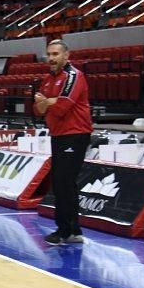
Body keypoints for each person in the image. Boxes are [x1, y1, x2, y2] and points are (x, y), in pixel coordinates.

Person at [33, 39, 93, 246]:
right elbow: (38, 110)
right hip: (58, 135)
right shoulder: (48, 80)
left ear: (66, 56)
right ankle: (72, 230)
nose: (51, 58)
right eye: (49, 54)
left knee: (64, 182)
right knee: (61, 183)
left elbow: (62, 107)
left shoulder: (74, 76)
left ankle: (66, 231)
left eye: (55, 54)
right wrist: (49, 102)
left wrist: (48, 102)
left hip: (75, 134)